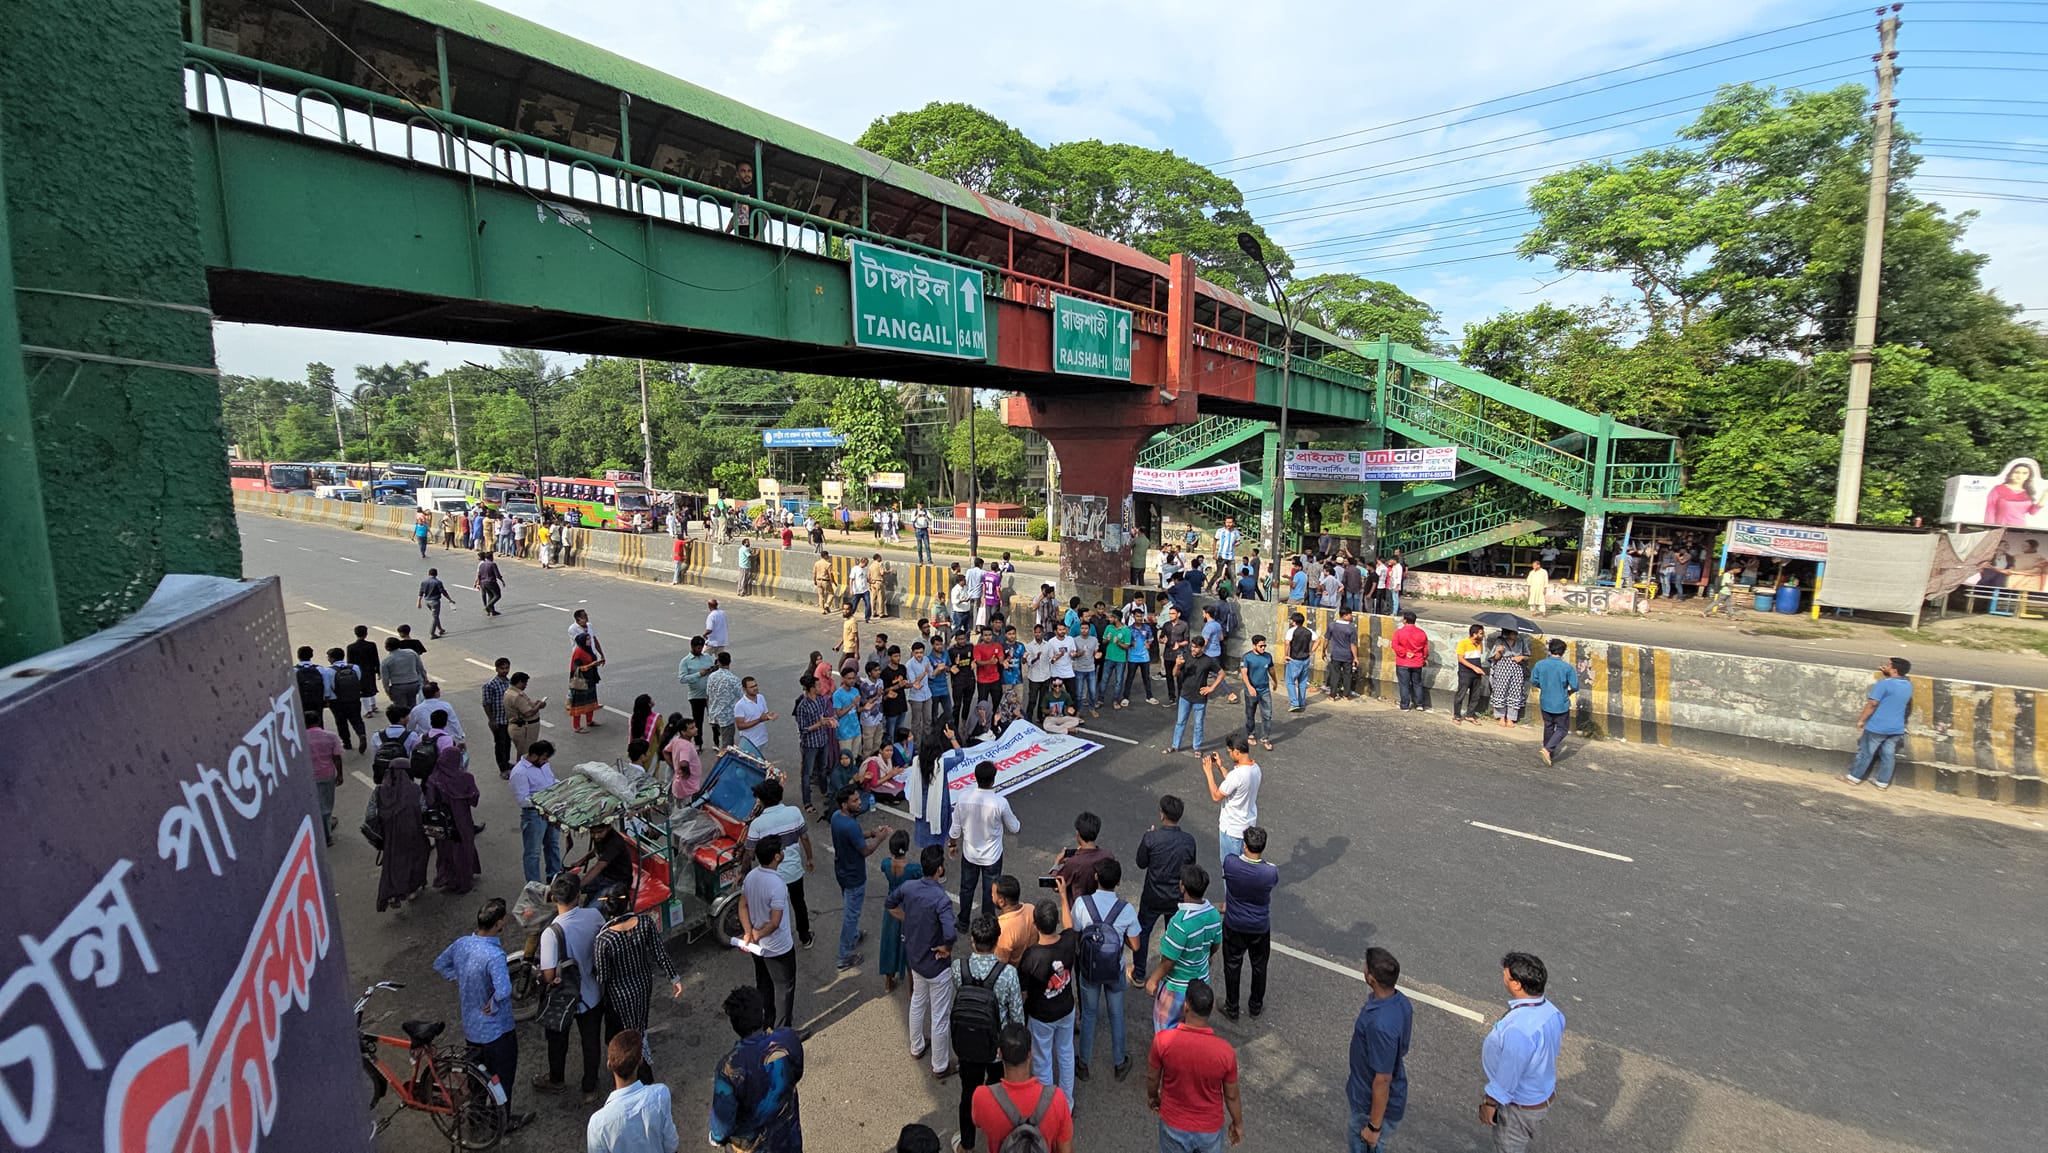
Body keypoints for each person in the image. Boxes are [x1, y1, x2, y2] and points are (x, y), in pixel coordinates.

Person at [433, 898, 533, 1132]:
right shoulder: (494, 956)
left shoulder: (462, 944)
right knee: (502, 1079)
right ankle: (501, 1121)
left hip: (472, 1028)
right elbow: (504, 990)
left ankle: (475, 1117)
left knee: (476, 1077)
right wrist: (494, 1002)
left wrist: (461, 978)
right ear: (499, 923)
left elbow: (440, 964)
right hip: (497, 1031)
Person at [949, 910, 1025, 1152]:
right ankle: (998, 1135)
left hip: (967, 1044)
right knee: (997, 1093)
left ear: (972, 940)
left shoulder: (958, 968)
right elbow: (1017, 1017)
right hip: (996, 1048)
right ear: (997, 941)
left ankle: (967, 1143)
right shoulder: (1008, 974)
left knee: (968, 1093)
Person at [1480, 952, 1566, 1153]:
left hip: (1519, 1109)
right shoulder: (1552, 1011)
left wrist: (1490, 1103)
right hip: (1540, 1094)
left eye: (1506, 976)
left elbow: (1508, 1075)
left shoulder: (1518, 1029)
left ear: (1517, 985)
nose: (1503, 979)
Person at [531, 876, 605, 1103]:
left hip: (563, 997)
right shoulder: (594, 916)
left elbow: (548, 975)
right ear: (578, 895)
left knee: (557, 1038)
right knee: (590, 1041)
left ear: (554, 898)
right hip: (592, 993)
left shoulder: (551, 933)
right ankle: (589, 1087)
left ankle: (556, 1080)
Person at [886, 844, 958, 1077]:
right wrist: (946, 947)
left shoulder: (909, 887)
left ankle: (916, 1046)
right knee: (939, 1015)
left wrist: (906, 919)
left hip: (915, 958)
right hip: (936, 965)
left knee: (917, 1001)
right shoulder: (941, 899)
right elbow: (950, 933)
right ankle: (940, 1065)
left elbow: (890, 903)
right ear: (939, 869)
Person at [1147, 978, 1242, 1152]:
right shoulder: (1225, 1052)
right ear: (1210, 1010)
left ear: (1186, 1006)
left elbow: (1153, 1078)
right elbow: (1232, 1096)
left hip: (1173, 1124)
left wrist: (1153, 1098)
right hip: (1209, 1129)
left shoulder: (1163, 1041)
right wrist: (1237, 1123)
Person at [709, 986, 805, 1152]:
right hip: (788, 1136)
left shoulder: (729, 1068)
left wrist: (716, 1137)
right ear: (762, 1013)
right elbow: (797, 1072)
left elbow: (722, 1124)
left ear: (734, 1024)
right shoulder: (787, 1038)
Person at [1071, 857, 1139, 1085]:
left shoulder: (1082, 904)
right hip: (1114, 968)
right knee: (1116, 1014)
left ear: (1096, 877)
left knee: (1089, 1014)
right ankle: (1119, 1062)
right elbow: (1136, 945)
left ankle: (1084, 1063)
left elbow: (1076, 933)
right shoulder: (1126, 909)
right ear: (1118, 882)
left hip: (1089, 968)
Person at [970, 1023, 1075, 1153]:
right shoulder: (1057, 1099)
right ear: (1030, 1054)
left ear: (1000, 1054)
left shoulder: (981, 1097)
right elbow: (1065, 1149)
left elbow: (977, 1122)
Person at [1018, 892, 1080, 1110]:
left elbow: (1024, 991)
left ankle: (1046, 1108)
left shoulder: (1032, 956)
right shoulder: (1069, 941)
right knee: (1066, 1053)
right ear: (1056, 923)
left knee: (1042, 1060)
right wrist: (1063, 896)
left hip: (1041, 1016)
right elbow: (1070, 926)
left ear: (1035, 925)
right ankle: (1067, 1103)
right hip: (1066, 1009)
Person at [1349, 946, 1412, 1152]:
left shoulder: (1380, 1025)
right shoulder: (1400, 1002)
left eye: (1366, 966)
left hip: (1369, 1106)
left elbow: (1383, 1079)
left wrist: (1373, 1127)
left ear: (1371, 978)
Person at [1146, 864, 1222, 1032]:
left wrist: (1153, 979)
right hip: (1201, 982)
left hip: (1177, 987)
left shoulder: (1180, 923)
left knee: (1166, 1031)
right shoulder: (1214, 914)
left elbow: (1168, 962)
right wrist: (1207, 956)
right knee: (1190, 1030)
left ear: (1182, 887)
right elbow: (1216, 944)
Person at [1131, 795, 1198, 984]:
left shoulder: (1151, 838)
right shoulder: (1188, 841)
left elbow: (1141, 863)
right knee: (1174, 936)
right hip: (1176, 897)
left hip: (1153, 895)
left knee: (1143, 932)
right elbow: (1190, 867)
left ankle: (1139, 973)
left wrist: (1147, 838)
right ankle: (1170, 972)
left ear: (1162, 814)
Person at [1217, 824, 1279, 1022]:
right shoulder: (1270, 872)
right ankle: (1255, 1006)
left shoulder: (1231, 863)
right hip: (1259, 926)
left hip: (1234, 924)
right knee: (1259, 966)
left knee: (1232, 965)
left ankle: (1232, 1006)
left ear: (1245, 845)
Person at [372, 707, 431, 911]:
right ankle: (412, 887)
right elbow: (423, 809)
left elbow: (371, 814)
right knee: (416, 856)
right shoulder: (414, 790)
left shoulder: (380, 791)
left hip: (390, 833)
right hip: (412, 830)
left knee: (392, 861)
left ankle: (392, 892)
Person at [948, 759, 1019, 927]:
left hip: (970, 854)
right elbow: (1015, 827)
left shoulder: (963, 798)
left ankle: (963, 921)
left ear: (975, 777)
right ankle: (987, 925)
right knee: (990, 892)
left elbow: (955, 827)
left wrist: (952, 844)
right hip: (992, 856)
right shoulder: (1000, 802)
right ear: (993, 780)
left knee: (966, 888)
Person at [747, 779, 814, 950]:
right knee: (799, 903)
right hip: (793, 871)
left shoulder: (757, 824)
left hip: (770, 875)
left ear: (762, 800)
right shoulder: (794, 812)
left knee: (773, 909)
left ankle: (773, 939)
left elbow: (749, 852)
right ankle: (805, 937)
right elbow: (805, 838)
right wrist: (810, 858)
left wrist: (743, 873)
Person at [422, 712, 481, 894]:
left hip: (443, 820)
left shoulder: (434, 778)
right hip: (462, 819)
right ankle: (465, 878)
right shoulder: (465, 778)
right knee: (464, 846)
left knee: (445, 850)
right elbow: (474, 800)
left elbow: (430, 801)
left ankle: (447, 878)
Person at [830, 783, 885, 971]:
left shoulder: (837, 818)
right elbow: (865, 850)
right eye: (854, 800)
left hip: (842, 871)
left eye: (858, 798)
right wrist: (880, 838)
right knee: (851, 915)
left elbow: (856, 837)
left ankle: (853, 937)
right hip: (854, 875)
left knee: (851, 911)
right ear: (844, 804)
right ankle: (844, 956)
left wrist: (871, 833)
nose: (859, 802)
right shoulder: (850, 825)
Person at [1846, 656, 1915, 789]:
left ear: (1894, 670)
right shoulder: (1908, 685)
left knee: (1866, 753)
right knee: (1888, 755)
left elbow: (1872, 704)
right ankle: (1882, 783)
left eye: (1888, 665)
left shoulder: (1883, 684)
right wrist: (1888, 674)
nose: (1885, 666)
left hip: (1878, 726)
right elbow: (1894, 690)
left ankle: (1854, 777)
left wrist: (1861, 720)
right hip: (1896, 728)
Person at [511, 740, 564, 883]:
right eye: (544, 758)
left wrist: (561, 786)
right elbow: (523, 800)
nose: (546, 761)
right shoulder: (519, 772)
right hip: (534, 815)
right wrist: (543, 800)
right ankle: (533, 884)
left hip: (551, 810)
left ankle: (554, 875)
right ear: (534, 755)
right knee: (533, 852)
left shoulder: (543, 765)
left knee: (552, 844)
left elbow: (550, 781)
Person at [1203, 733, 1262, 862]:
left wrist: (1208, 772)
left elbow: (1216, 796)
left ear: (1237, 752)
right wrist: (1220, 767)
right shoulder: (1256, 769)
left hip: (1232, 829)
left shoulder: (1237, 775)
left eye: (1229, 751)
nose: (1229, 755)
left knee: (1230, 867)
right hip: (1247, 826)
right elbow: (1234, 784)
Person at [877, 830, 922, 993]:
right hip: (906, 908)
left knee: (889, 943)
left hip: (891, 907)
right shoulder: (913, 869)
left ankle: (888, 982)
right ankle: (912, 989)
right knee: (909, 947)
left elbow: (884, 865)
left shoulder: (886, 864)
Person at [1527, 639, 1581, 765]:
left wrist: (1544, 686)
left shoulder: (1540, 664)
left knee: (1548, 726)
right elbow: (1575, 686)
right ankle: (1548, 749)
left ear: (1550, 650)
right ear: (1563, 652)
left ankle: (1548, 752)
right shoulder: (1567, 668)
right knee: (1562, 729)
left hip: (1545, 700)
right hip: (1560, 702)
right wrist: (1569, 692)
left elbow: (1534, 681)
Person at [1166, 644, 1223, 755]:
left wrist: (1211, 688)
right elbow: (1174, 674)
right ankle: (1175, 745)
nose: (1193, 649)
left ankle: (1197, 747)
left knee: (1198, 724)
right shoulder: (1185, 657)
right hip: (1185, 695)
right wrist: (1177, 665)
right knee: (1180, 722)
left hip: (1200, 698)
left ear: (1202, 648)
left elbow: (1221, 674)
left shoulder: (1208, 660)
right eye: (1192, 646)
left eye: (1196, 647)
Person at [304, 713, 343, 846]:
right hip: (327, 774)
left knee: (314, 803)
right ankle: (327, 834)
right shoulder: (330, 736)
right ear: (319, 720)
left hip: (308, 776)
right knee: (326, 805)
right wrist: (340, 774)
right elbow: (337, 758)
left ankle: (318, 828)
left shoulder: (301, 739)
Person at [323, 646, 366, 752]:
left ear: (332, 658)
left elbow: (327, 687)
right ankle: (361, 734)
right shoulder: (355, 667)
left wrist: (326, 699)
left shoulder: (328, 671)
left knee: (341, 722)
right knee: (357, 719)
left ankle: (347, 742)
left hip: (336, 700)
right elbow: (358, 680)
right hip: (354, 698)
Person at [1487, 629, 1531, 726]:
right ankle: (1501, 717)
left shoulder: (1521, 641)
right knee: (1500, 691)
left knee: (1515, 692)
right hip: (1503, 668)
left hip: (1517, 668)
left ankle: (1511, 718)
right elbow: (1495, 658)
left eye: (1516, 633)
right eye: (1513, 633)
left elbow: (1528, 656)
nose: (1515, 635)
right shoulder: (1500, 641)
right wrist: (1499, 651)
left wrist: (1521, 657)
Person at [1238, 634, 1275, 751]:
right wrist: (1249, 687)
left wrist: (1275, 681)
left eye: (1264, 646)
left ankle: (1265, 738)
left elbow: (1271, 669)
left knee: (1267, 714)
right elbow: (1244, 674)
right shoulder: (1247, 657)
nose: (1263, 648)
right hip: (1252, 690)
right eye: (1261, 646)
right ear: (1254, 646)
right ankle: (1251, 734)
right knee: (1250, 713)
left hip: (1264, 690)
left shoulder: (1268, 656)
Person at [991, 876, 1036, 966]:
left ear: (1001, 902)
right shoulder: (1031, 909)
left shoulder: (1002, 929)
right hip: (1031, 962)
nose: (991, 895)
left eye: (993, 893)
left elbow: (1000, 963)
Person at [678, 636, 715, 739]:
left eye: (701, 648)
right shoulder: (685, 661)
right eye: (697, 648)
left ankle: (717, 741)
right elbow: (682, 679)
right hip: (696, 696)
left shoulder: (707, 657)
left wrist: (712, 669)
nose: (699, 650)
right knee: (698, 721)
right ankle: (698, 742)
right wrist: (699, 674)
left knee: (714, 719)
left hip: (710, 695)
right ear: (692, 647)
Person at [1320, 606, 1360, 702]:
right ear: (1345, 616)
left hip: (1336, 654)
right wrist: (1355, 657)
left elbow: (1326, 640)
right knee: (1347, 675)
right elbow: (1353, 644)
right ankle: (1346, 695)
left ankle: (1332, 695)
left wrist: (1323, 651)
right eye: (1350, 615)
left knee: (1335, 675)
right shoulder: (1351, 628)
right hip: (1347, 655)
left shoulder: (1332, 625)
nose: (1351, 617)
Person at [1392, 612, 1430, 711]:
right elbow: (1425, 648)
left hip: (1403, 661)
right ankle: (1419, 704)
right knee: (1417, 683)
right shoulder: (1421, 633)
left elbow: (1394, 645)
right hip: (1417, 662)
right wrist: (1424, 658)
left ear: (1405, 620)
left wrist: (1404, 652)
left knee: (1404, 684)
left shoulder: (1399, 632)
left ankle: (1405, 705)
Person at [1453, 624, 1489, 724]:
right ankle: (1456, 715)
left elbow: (1478, 656)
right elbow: (1460, 659)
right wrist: (1474, 668)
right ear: (1474, 634)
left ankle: (1470, 714)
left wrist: (1478, 669)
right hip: (1465, 673)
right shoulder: (1463, 643)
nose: (1482, 635)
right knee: (1461, 694)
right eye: (1481, 633)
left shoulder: (1479, 644)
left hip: (1476, 673)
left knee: (1475, 695)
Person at [569, 632, 604, 733]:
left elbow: (591, 662)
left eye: (589, 639)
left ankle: (589, 721)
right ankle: (576, 726)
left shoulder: (588, 650)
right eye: (587, 639)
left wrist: (596, 663)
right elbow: (578, 668)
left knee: (591, 701)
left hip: (590, 679)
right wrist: (591, 665)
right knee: (578, 704)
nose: (589, 641)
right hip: (581, 681)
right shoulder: (578, 652)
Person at [707, 653, 743, 748]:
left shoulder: (711, 677)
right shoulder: (734, 679)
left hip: (714, 714)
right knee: (727, 746)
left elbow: (708, 695)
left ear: (718, 662)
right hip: (727, 717)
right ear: (729, 662)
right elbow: (742, 697)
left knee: (722, 740)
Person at [381, 635, 425, 711]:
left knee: (401, 709)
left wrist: (387, 691)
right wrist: (425, 678)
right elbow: (420, 667)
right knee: (412, 704)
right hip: (413, 683)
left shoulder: (386, 661)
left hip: (398, 686)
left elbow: (385, 680)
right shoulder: (411, 653)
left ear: (387, 648)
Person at [734, 676, 776, 756]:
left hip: (762, 739)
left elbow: (764, 715)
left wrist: (769, 716)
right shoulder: (740, 705)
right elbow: (740, 726)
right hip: (750, 743)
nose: (755, 688)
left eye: (756, 685)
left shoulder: (761, 697)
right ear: (744, 689)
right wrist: (759, 720)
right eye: (751, 687)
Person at [1282, 613, 1314, 713]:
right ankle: (1301, 702)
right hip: (1305, 659)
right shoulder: (1309, 631)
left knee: (1290, 682)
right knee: (1303, 682)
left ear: (1294, 622)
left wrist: (1285, 655)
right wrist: (1311, 651)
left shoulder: (1291, 631)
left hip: (1294, 659)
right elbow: (1317, 640)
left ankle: (1294, 703)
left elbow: (1287, 643)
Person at [417, 567, 454, 638]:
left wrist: (418, 602)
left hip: (427, 601)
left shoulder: (424, 582)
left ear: (428, 574)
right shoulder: (438, 582)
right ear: (436, 574)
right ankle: (432, 633)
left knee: (435, 616)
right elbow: (443, 592)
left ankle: (440, 629)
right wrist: (450, 599)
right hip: (435, 602)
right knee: (435, 617)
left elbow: (421, 592)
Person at [475, 551, 506, 617]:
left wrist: (478, 583)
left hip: (483, 583)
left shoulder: (481, 564)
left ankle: (492, 611)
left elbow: (479, 575)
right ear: (491, 557)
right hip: (491, 582)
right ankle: (488, 606)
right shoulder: (493, 564)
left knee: (490, 595)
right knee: (497, 595)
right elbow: (497, 575)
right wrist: (502, 581)